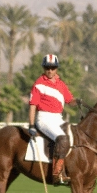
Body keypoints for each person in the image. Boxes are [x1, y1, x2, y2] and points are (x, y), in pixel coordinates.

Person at [28, 54, 77, 185]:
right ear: (44, 68)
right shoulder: (39, 84)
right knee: (62, 138)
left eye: (53, 68)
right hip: (44, 118)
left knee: (74, 136)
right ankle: (57, 174)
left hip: (58, 118)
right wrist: (31, 125)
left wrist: (78, 102)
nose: (50, 71)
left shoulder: (61, 84)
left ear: (56, 68)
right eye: (47, 68)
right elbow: (33, 106)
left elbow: (69, 100)